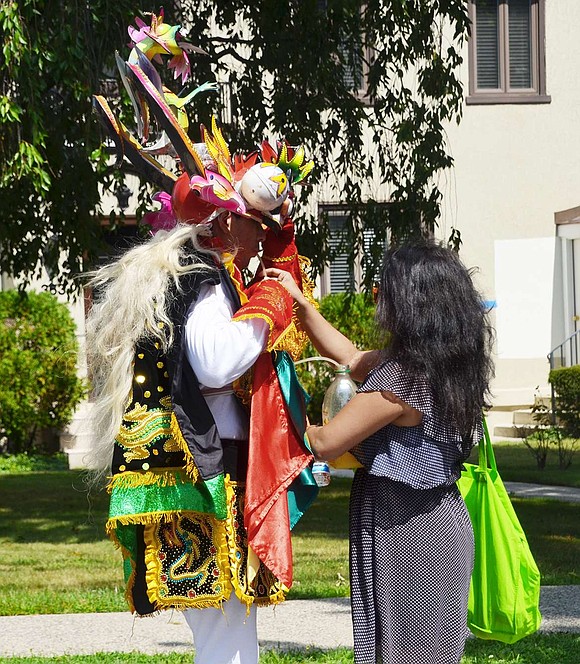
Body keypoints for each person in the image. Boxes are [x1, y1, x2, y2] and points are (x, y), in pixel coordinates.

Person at [86, 13, 318, 663]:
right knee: (227, 632)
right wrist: (274, 299)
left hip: (201, 473)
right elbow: (216, 362)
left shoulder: (195, 272)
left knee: (227, 631)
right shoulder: (204, 276)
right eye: (258, 227)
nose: (263, 239)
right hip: (204, 478)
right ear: (229, 225)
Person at [267, 239, 494, 664]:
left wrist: (275, 392)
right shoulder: (438, 362)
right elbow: (350, 357)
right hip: (433, 524)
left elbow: (324, 442)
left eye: (386, 289)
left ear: (411, 300)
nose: (379, 297)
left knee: (405, 653)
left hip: (410, 536)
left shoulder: (401, 380)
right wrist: (300, 305)